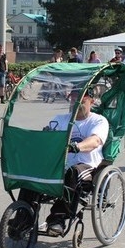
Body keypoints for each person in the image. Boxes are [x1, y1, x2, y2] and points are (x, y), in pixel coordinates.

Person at [43, 87, 109, 235]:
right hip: (61, 165)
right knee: (34, 172)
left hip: (87, 166)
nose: (76, 101)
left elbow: (95, 141)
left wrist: (76, 146)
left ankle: (57, 219)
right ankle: (22, 217)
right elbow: (49, 138)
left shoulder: (98, 121)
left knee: (73, 173)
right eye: (73, 98)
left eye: (81, 98)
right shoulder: (60, 119)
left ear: (91, 101)